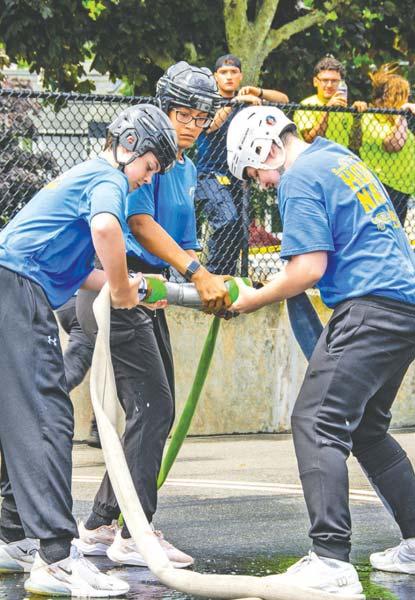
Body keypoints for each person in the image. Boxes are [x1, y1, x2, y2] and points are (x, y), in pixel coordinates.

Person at [226, 105, 415, 596]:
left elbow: (308, 269)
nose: (263, 184)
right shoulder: (339, 159)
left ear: (265, 148)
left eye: (256, 173)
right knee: (367, 428)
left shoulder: (298, 177)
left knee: (317, 421)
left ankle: (330, 561)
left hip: (370, 307)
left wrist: (251, 300)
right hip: (402, 307)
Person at [0, 103, 178, 597]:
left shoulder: (84, 176)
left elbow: (79, 270)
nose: (148, 178)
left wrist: (129, 285)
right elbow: (105, 229)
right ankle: (57, 558)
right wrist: (121, 289)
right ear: (128, 146)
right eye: (149, 167)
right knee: (47, 417)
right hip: (17, 288)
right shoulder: (108, 179)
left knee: (21, 417)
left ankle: (13, 538)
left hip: (12, 283)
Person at [75, 62, 231, 569]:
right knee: (153, 408)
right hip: (120, 287)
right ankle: (134, 533)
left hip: (152, 290)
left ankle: (100, 524)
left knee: (154, 409)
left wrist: (198, 282)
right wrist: (195, 271)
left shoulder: (186, 167)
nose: (192, 124)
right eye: (184, 114)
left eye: (201, 117)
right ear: (164, 108)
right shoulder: (148, 158)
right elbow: (139, 223)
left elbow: (181, 238)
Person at [196, 53, 288, 275]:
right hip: (209, 175)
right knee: (226, 220)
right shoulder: (210, 101)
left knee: (238, 230)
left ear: (241, 75)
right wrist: (234, 102)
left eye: (233, 72)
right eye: (223, 72)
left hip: (238, 177)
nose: (228, 76)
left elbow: (284, 100)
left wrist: (257, 92)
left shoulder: (248, 102)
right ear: (215, 76)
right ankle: (214, 275)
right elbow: (210, 126)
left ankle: (229, 276)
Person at [357, 63, 415, 226]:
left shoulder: (397, 120)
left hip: (402, 189)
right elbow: (394, 145)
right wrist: (402, 115)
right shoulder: (371, 117)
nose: (407, 100)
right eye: (404, 96)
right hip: (382, 187)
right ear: (393, 96)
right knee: (382, 231)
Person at [55, 296, 100, 447]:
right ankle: (31, 413)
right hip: (85, 303)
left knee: (107, 364)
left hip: (67, 302)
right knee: (70, 372)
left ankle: (99, 429)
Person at [294, 55, 365, 147]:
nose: (329, 85)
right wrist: (327, 109)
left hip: (340, 155)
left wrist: (357, 118)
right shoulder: (306, 105)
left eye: (334, 81)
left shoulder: (343, 106)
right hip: (317, 155)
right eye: (325, 80)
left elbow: (355, 145)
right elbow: (310, 141)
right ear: (315, 82)